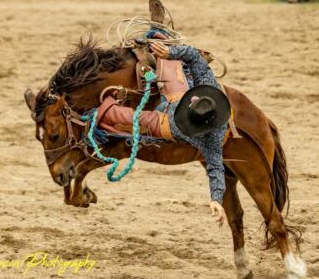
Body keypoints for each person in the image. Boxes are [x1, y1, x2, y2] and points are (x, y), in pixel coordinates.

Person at [96, 43, 231, 226]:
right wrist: (170, 52)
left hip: (169, 125)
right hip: (177, 95)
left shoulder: (212, 137)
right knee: (164, 54)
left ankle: (96, 113)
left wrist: (216, 199)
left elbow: (216, 168)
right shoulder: (209, 86)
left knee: (124, 118)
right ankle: (157, 35)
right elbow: (192, 54)